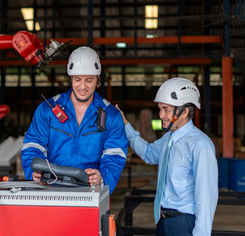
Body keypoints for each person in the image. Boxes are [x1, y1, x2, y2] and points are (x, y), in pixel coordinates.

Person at [116, 77, 218, 236]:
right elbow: (149, 154)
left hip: (184, 223)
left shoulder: (200, 145)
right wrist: (125, 125)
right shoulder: (168, 138)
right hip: (163, 220)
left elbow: (206, 197)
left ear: (184, 112)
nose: (161, 115)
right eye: (160, 109)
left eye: (166, 109)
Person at [21, 46, 128, 194]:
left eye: (89, 80)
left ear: (98, 78)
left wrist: (102, 177)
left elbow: (115, 155)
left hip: (90, 193)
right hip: (50, 190)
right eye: (77, 79)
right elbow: (33, 145)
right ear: (70, 78)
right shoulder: (48, 109)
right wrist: (32, 171)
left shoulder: (111, 116)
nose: (82, 86)